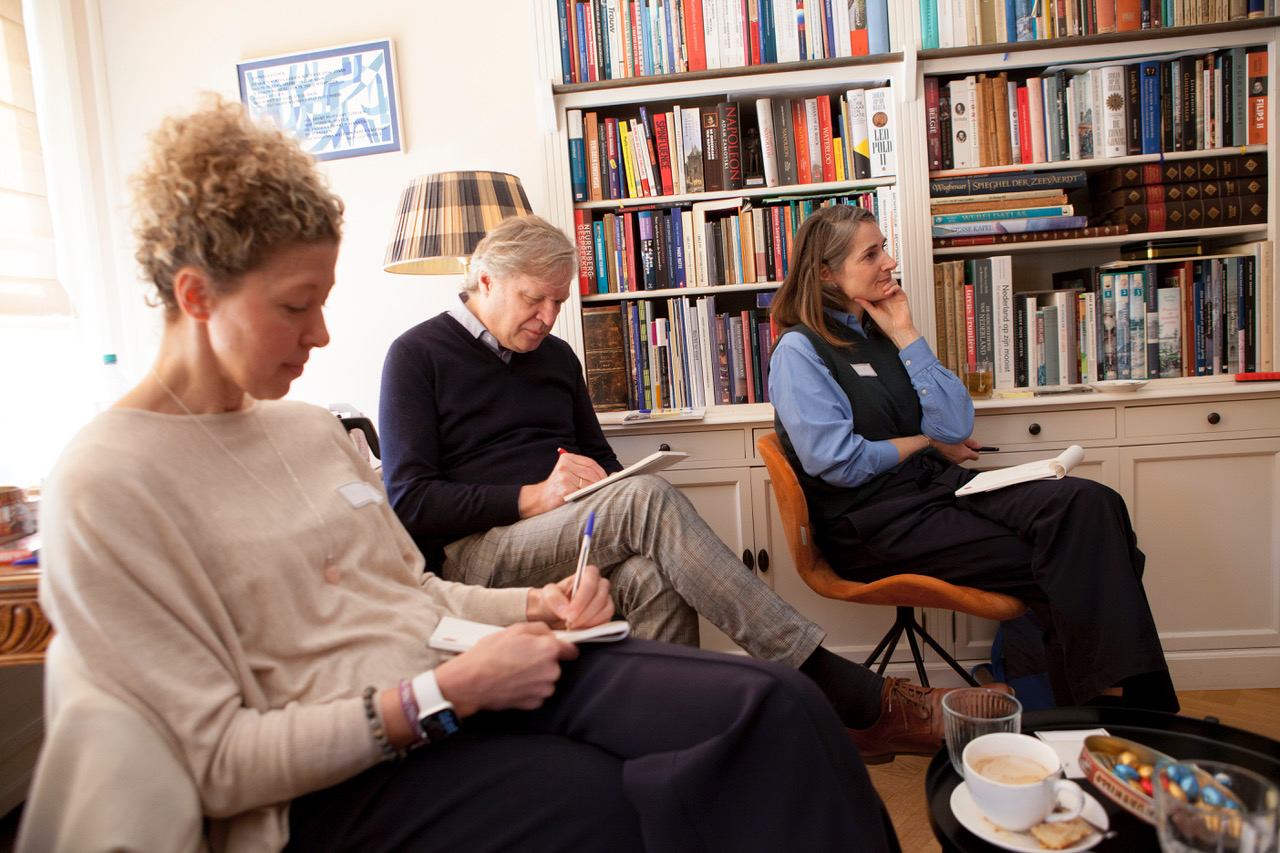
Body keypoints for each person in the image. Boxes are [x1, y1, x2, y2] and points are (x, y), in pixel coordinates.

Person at [32, 95, 902, 853]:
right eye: (297, 306)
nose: (323, 335)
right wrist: (438, 694)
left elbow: (410, 589)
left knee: (777, 707)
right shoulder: (108, 484)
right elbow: (217, 761)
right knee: (629, 803)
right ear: (195, 296)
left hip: (469, 661)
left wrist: (535, 608)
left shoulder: (308, 429)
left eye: (324, 302)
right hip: (371, 753)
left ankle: (818, 679)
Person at [380, 213, 997, 761]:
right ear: (485, 281)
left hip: (572, 530)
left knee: (652, 574)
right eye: (533, 299)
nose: (548, 316)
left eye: (559, 301)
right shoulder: (416, 355)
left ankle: (666, 751)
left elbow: (599, 458)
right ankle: (842, 688)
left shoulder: (558, 356)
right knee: (643, 502)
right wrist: (531, 497)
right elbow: (411, 501)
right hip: (481, 551)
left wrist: (606, 480)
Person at [767, 203, 1179, 715]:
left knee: (1091, 504)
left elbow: (955, 426)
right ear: (827, 273)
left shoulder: (878, 333)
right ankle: (1126, 715)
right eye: (871, 254)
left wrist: (906, 334)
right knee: (1082, 553)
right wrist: (923, 442)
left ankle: (1092, 711)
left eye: (884, 248)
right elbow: (838, 462)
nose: (890, 262)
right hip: (873, 525)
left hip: (935, 491)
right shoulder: (799, 351)